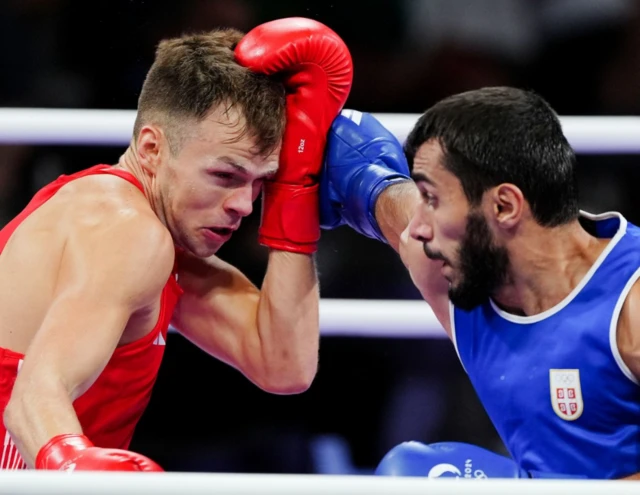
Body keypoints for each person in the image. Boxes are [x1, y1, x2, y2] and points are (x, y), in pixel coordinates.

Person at [0, 17, 353, 471]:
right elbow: (32, 395)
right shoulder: (127, 230)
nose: (244, 205)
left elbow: (283, 364)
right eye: (225, 176)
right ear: (151, 149)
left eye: (261, 183)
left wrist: (294, 193)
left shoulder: (162, 242)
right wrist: (75, 464)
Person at [320, 88, 640, 480]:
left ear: (504, 207)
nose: (417, 227)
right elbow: (370, 183)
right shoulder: (440, 251)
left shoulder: (631, 307)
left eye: (432, 199)